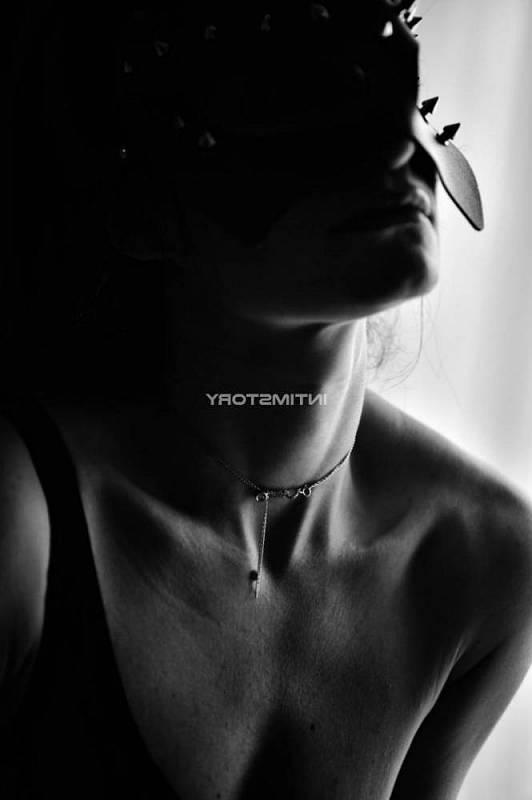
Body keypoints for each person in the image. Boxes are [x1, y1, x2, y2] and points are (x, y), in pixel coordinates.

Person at [2, 2, 532, 798]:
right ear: (145, 211)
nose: (396, 146)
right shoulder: (24, 524)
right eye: (292, 97)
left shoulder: (481, 563)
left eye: (397, 77)